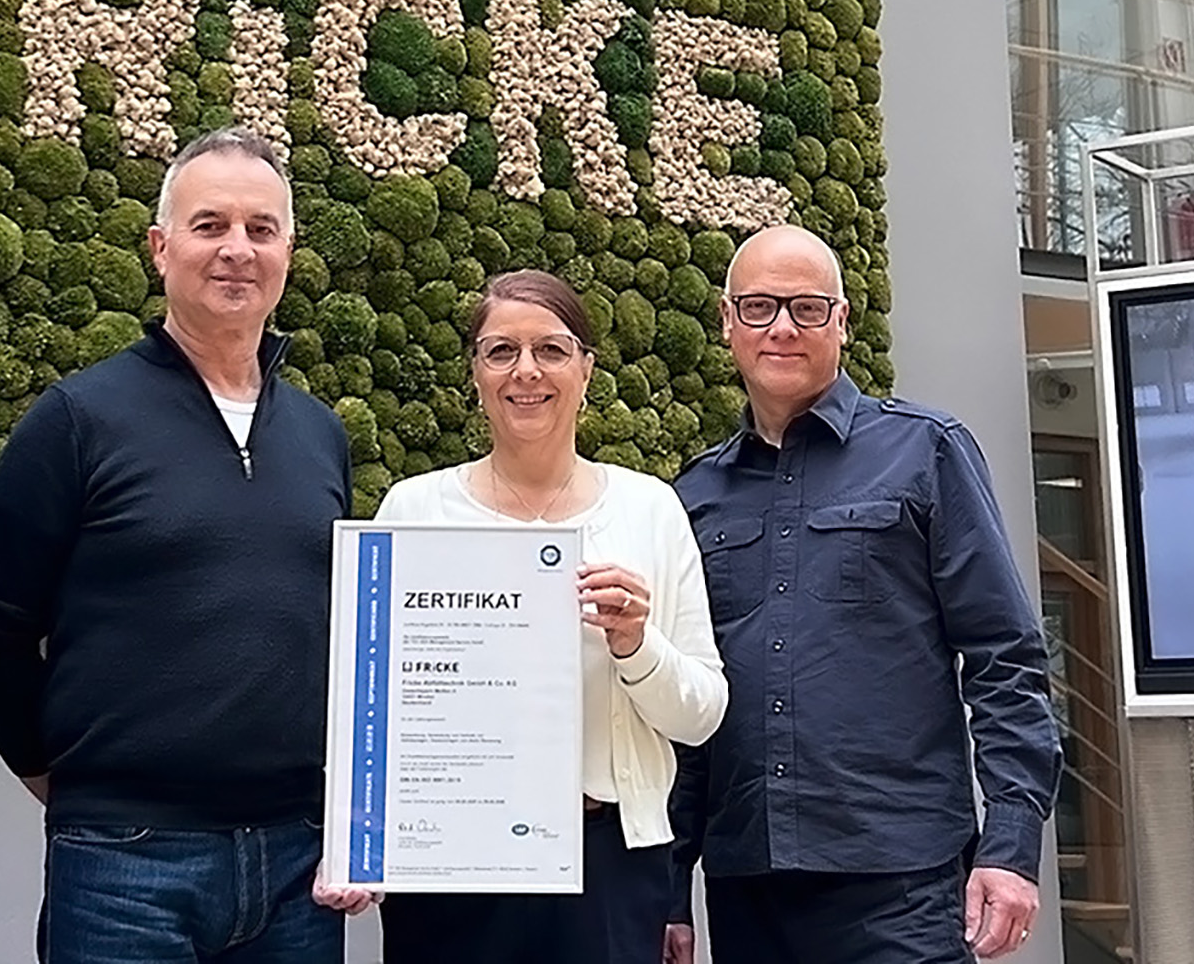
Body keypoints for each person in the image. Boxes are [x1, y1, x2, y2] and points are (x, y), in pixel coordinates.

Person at [0, 126, 354, 964]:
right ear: (159, 247)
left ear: (288, 249)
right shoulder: (75, 421)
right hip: (124, 861)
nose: (236, 250)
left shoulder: (321, 436)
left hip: (297, 863)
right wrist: (57, 778)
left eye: (261, 228)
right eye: (209, 225)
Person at [665, 224, 1061, 964]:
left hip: (901, 883)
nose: (781, 327)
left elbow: (1005, 659)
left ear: (842, 321)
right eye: (757, 307)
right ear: (727, 321)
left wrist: (1009, 844)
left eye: (807, 307)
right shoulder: (695, 495)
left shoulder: (927, 451)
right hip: (748, 887)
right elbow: (687, 706)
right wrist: (666, 890)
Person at [369, 269, 729, 964]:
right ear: (474, 372)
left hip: (606, 868)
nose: (525, 371)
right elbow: (376, 708)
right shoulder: (414, 512)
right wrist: (365, 840)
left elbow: (703, 713)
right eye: (501, 351)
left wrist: (635, 645)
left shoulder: (647, 510)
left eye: (552, 350)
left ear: (586, 369)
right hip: (450, 863)